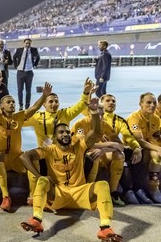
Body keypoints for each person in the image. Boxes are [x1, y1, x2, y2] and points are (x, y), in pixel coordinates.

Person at [20, 98, 123, 242]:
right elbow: (25, 157)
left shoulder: (80, 146)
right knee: (43, 180)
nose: (65, 134)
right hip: (58, 195)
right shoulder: (49, 150)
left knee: (102, 185)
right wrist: (38, 176)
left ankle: (105, 228)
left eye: (67, 132)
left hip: (80, 193)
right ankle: (36, 219)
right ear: (55, 137)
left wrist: (93, 112)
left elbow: (95, 132)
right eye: (61, 132)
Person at [23, 78, 93, 204]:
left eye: (56, 101)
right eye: (50, 101)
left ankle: (84, 189)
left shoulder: (65, 114)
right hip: (46, 154)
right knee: (33, 161)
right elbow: (19, 120)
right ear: (44, 104)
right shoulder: (36, 117)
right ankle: (33, 195)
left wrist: (86, 92)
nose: (54, 104)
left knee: (88, 158)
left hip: (64, 153)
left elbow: (81, 104)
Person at [0, 82, 52, 211]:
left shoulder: (19, 117)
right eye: (9, 102)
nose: (12, 104)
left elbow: (34, 108)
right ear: (1, 106)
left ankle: (33, 196)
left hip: (16, 156)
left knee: (31, 158)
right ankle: (6, 197)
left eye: (13, 102)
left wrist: (44, 96)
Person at [71, 111, 125, 207]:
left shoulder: (105, 125)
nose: (99, 117)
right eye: (96, 114)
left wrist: (104, 149)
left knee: (119, 155)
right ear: (89, 114)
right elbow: (83, 145)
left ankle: (113, 193)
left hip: (100, 152)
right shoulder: (80, 124)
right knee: (94, 155)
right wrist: (109, 144)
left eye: (101, 114)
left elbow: (120, 145)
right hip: (79, 155)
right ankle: (88, 192)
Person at [98, 94, 144, 205]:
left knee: (136, 153)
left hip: (113, 150)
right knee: (118, 154)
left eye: (113, 101)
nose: (111, 102)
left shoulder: (120, 120)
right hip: (97, 150)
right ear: (101, 103)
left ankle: (136, 189)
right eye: (108, 100)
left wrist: (137, 148)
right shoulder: (96, 117)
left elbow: (129, 136)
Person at [127, 92, 161, 203]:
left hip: (148, 147)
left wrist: (157, 147)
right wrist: (157, 148)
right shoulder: (134, 118)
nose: (152, 105)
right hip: (132, 148)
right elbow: (139, 141)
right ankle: (151, 188)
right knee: (155, 155)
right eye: (148, 102)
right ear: (140, 104)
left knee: (156, 157)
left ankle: (153, 189)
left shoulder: (156, 119)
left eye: (154, 102)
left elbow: (155, 138)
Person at [13, 38, 40, 111]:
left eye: (29, 43)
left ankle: (27, 106)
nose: (28, 45)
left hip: (29, 72)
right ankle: (20, 105)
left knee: (28, 90)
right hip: (20, 72)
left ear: (31, 44)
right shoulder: (19, 50)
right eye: (26, 43)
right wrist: (16, 65)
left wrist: (35, 64)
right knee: (19, 89)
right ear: (24, 43)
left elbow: (38, 57)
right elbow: (14, 57)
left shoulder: (34, 50)